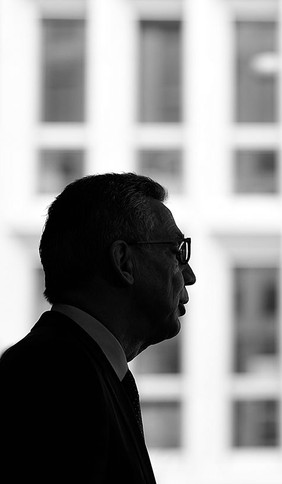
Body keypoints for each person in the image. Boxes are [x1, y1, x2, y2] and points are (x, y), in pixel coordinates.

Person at [0, 173, 196, 483]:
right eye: (176, 252)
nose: (190, 275)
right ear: (123, 262)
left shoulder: (76, 366)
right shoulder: (53, 376)